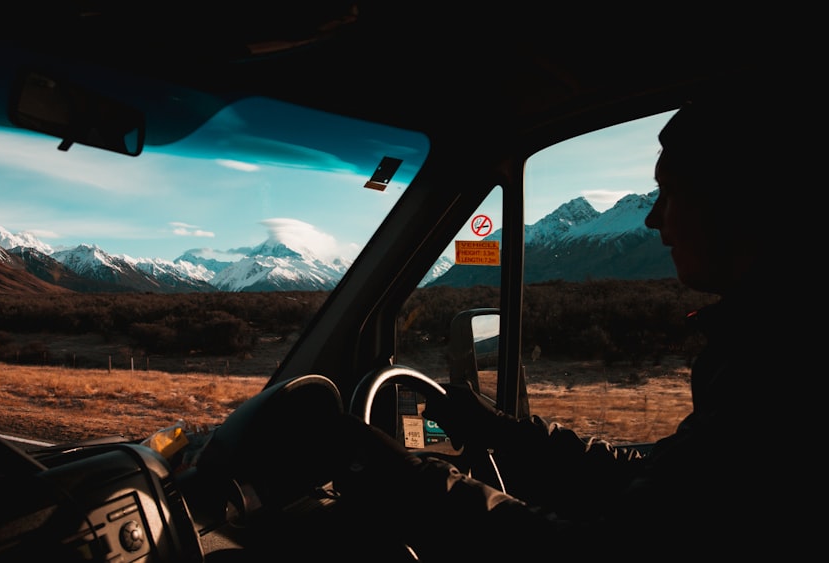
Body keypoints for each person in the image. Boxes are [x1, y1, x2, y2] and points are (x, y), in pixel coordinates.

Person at [327, 73, 819, 560]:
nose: (652, 219)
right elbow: (645, 486)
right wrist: (500, 430)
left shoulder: (773, 373)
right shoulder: (763, 348)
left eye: (669, 192)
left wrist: (398, 480)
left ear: (733, 200)